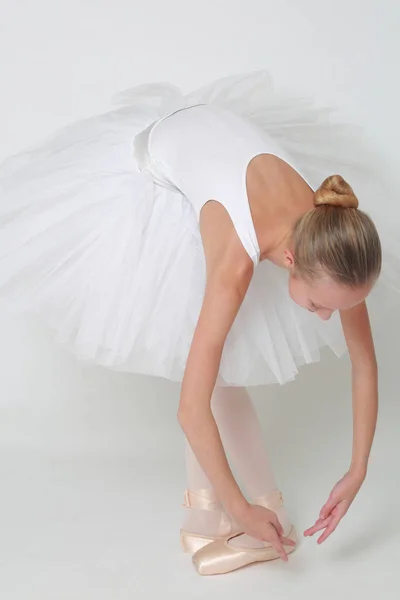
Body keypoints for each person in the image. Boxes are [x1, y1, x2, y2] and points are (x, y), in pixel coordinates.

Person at [0, 71, 398, 576]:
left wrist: (358, 469)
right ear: (294, 258)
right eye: (321, 305)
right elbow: (190, 407)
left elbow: (364, 364)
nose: (325, 317)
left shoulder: (335, 237)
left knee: (219, 365)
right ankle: (234, 513)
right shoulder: (235, 261)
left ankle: (209, 513)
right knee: (210, 371)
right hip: (156, 168)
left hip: (215, 139)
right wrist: (243, 508)